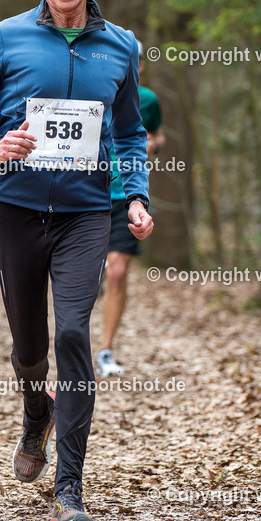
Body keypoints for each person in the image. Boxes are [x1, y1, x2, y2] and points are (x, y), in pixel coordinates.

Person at [0, 0, 153, 521]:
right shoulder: (4, 38)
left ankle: (70, 491)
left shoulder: (120, 46)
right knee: (30, 348)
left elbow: (129, 132)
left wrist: (136, 197)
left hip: (87, 213)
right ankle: (36, 410)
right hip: (15, 208)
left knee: (72, 335)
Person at [96, 40, 165, 378]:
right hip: (88, 193)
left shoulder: (148, 100)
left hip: (128, 195)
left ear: (140, 66)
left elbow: (157, 135)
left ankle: (106, 350)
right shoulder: (95, 87)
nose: (131, 65)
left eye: (136, 61)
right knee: (87, 274)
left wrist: (152, 144)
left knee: (118, 271)